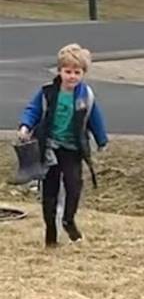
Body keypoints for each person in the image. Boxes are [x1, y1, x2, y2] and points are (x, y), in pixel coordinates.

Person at [17, 43, 109, 248]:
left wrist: (101, 140)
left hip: (73, 149)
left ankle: (68, 220)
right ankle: (51, 232)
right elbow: (33, 110)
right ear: (59, 71)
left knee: (73, 185)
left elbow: (95, 118)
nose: (72, 77)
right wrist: (25, 126)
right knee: (49, 191)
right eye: (68, 72)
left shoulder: (86, 96)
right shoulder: (48, 93)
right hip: (49, 147)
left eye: (77, 72)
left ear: (83, 73)